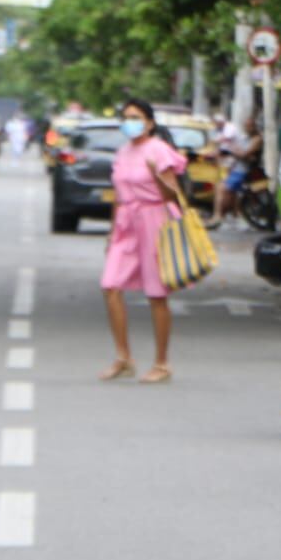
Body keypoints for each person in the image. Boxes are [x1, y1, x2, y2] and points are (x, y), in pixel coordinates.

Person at [99, 98, 188, 384]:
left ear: (149, 123)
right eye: (126, 117)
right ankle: (123, 357)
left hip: (155, 221)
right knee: (110, 285)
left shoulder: (159, 150)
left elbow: (173, 194)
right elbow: (118, 194)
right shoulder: (122, 152)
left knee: (156, 293)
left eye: (136, 117)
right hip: (127, 223)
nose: (130, 122)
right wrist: (112, 232)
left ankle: (162, 363)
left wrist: (156, 175)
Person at [205, 117, 262, 229]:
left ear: (254, 126)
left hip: (244, 170)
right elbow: (240, 152)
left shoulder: (257, 139)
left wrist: (236, 151)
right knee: (223, 189)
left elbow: (245, 154)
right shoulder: (245, 138)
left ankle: (218, 216)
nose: (247, 128)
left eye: (249, 126)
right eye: (246, 126)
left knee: (222, 189)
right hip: (237, 168)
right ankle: (229, 213)